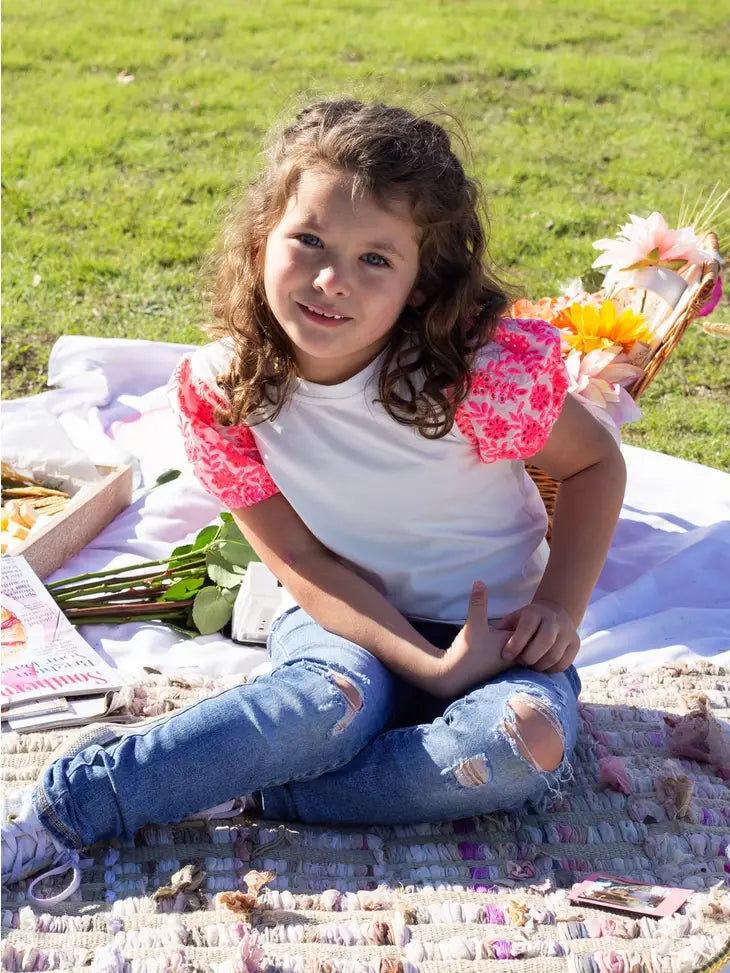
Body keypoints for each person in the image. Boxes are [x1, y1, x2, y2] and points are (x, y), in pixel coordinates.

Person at [1, 98, 626, 905]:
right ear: (263, 237)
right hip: (340, 622)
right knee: (317, 709)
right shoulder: (224, 393)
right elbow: (298, 559)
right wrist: (425, 663)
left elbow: (596, 465)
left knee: (524, 746)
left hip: (501, 634)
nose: (333, 281)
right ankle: (77, 798)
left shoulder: (477, 377)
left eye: (376, 260)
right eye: (310, 241)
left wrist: (558, 609)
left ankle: (249, 787)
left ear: (419, 279)